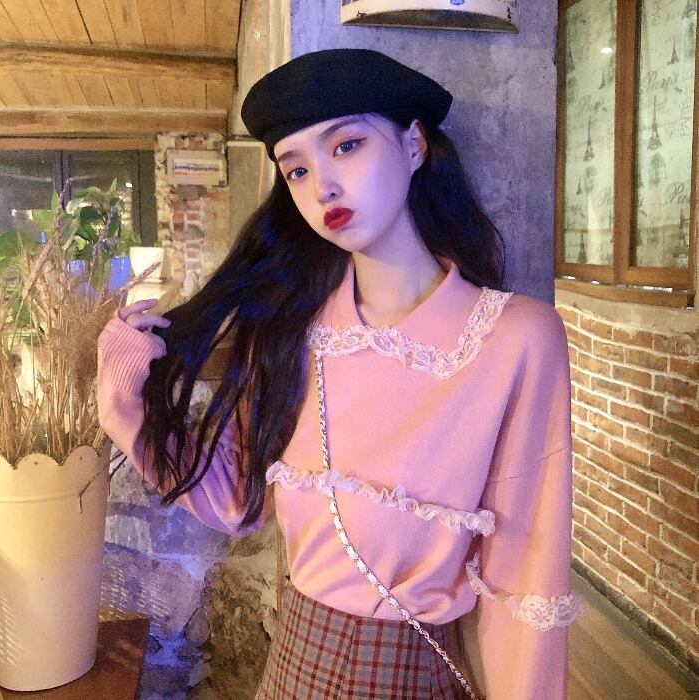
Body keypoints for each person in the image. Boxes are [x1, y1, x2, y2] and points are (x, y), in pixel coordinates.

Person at [97, 48, 585, 699]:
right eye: (296, 169)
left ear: (414, 144)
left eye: (347, 146)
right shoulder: (288, 331)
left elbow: (526, 571)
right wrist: (122, 397)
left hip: (415, 677)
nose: (321, 186)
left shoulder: (515, 339)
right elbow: (236, 502)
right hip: (292, 671)